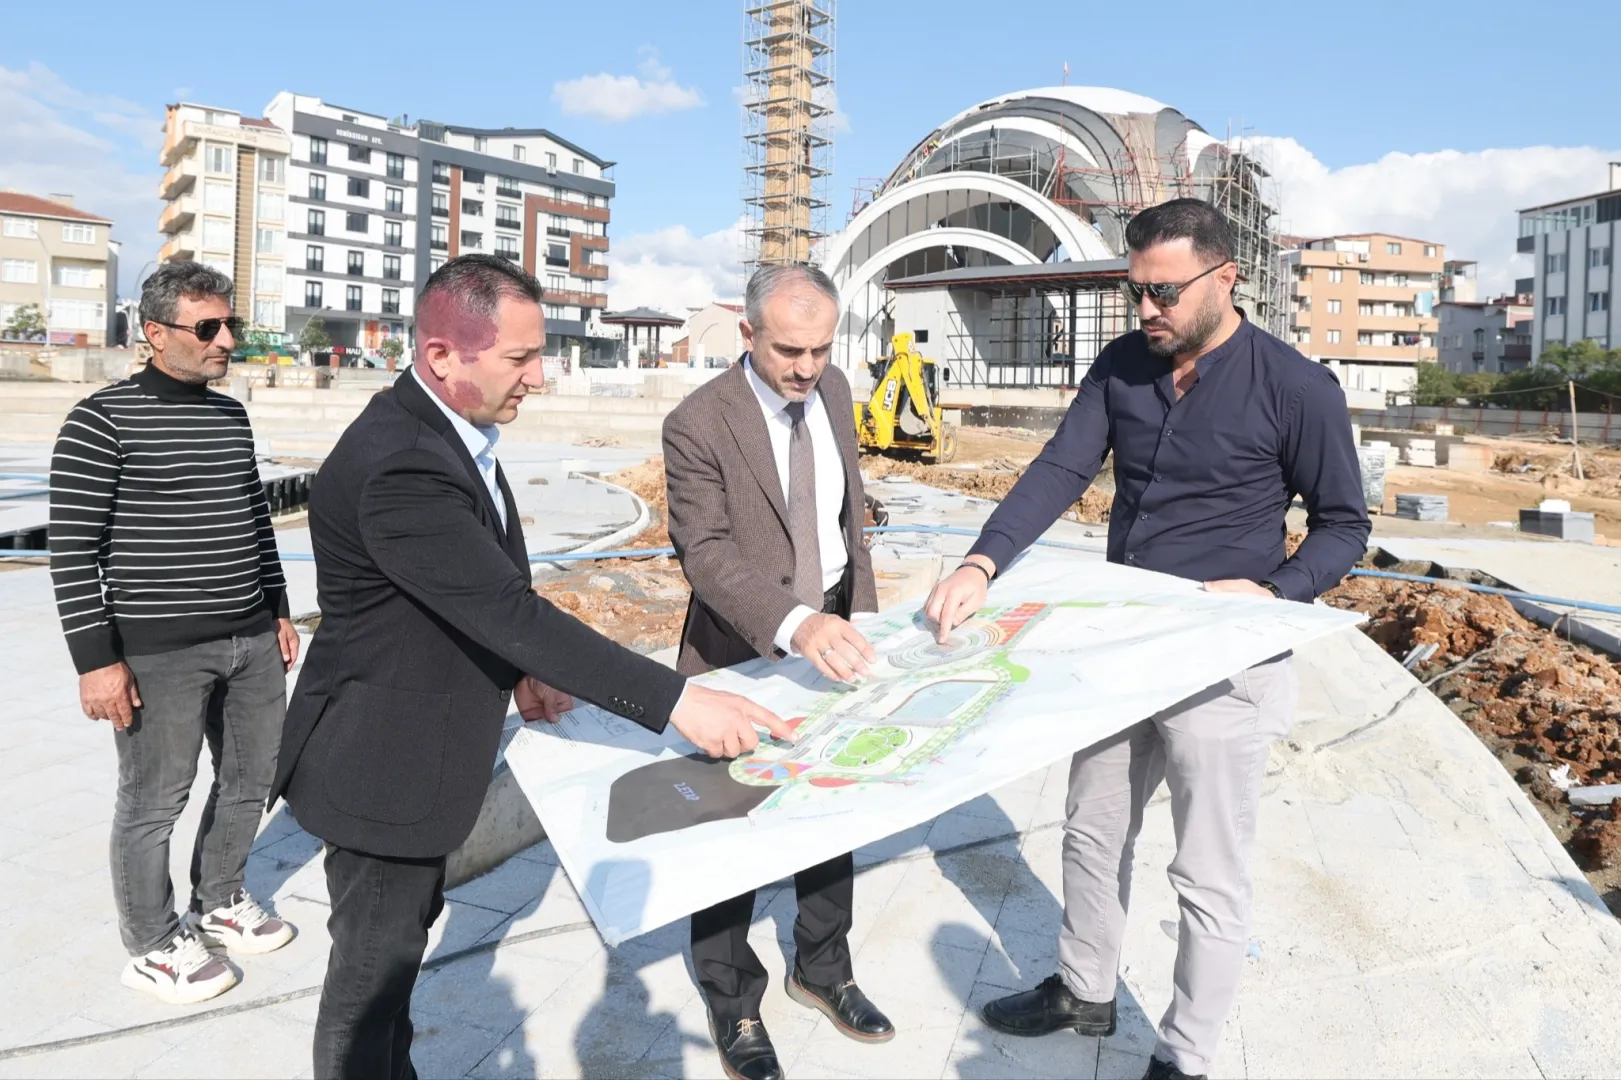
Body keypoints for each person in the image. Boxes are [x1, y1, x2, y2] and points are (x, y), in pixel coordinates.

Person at [269, 255, 792, 1080]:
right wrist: (676, 703)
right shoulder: (402, 461)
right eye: (519, 358)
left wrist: (520, 670)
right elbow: (510, 610)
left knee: (394, 968)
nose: (539, 377)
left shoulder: (451, 432)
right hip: (380, 770)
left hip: (414, 761)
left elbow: (473, 584)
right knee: (367, 988)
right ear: (441, 355)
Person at [925, 199, 1371, 1080]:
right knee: (1091, 832)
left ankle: (1186, 1055)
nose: (1145, 309)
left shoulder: (1296, 389)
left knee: (1206, 872)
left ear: (1224, 278)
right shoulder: (1122, 365)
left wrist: (1275, 591)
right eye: (1136, 290)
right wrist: (982, 561)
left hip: (1225, 661)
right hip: (1120, 652)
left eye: (1163, 291)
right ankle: (1083, 990)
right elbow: (1061, 467)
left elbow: (1343, 525)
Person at [663, 263, 896, 1080]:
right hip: (741, 649)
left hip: (834, 631)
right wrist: (797, 624)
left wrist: (860, 619)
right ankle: (732, 1003)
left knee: (831, 812)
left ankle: (824, 970)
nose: (806, 368)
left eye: (821, 349)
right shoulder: (697, 423)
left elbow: (848, 522)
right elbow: (705, 554)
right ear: (748, 332)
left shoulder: (834, 392)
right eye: (789, 351)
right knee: (728, 834)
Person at [49, 262, 300, 1005]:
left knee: (252, 778)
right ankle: (151, 944)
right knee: (154, 801)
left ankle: (218, 899)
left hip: (251, 639)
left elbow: (254, 520)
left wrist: (278, 608)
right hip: (159, 653)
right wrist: (97, 663)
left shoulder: (231, 417)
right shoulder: (100, 421)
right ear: (156, 333)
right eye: (208, 327)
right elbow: (73, 552)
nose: (226, 340)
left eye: (230, 325)